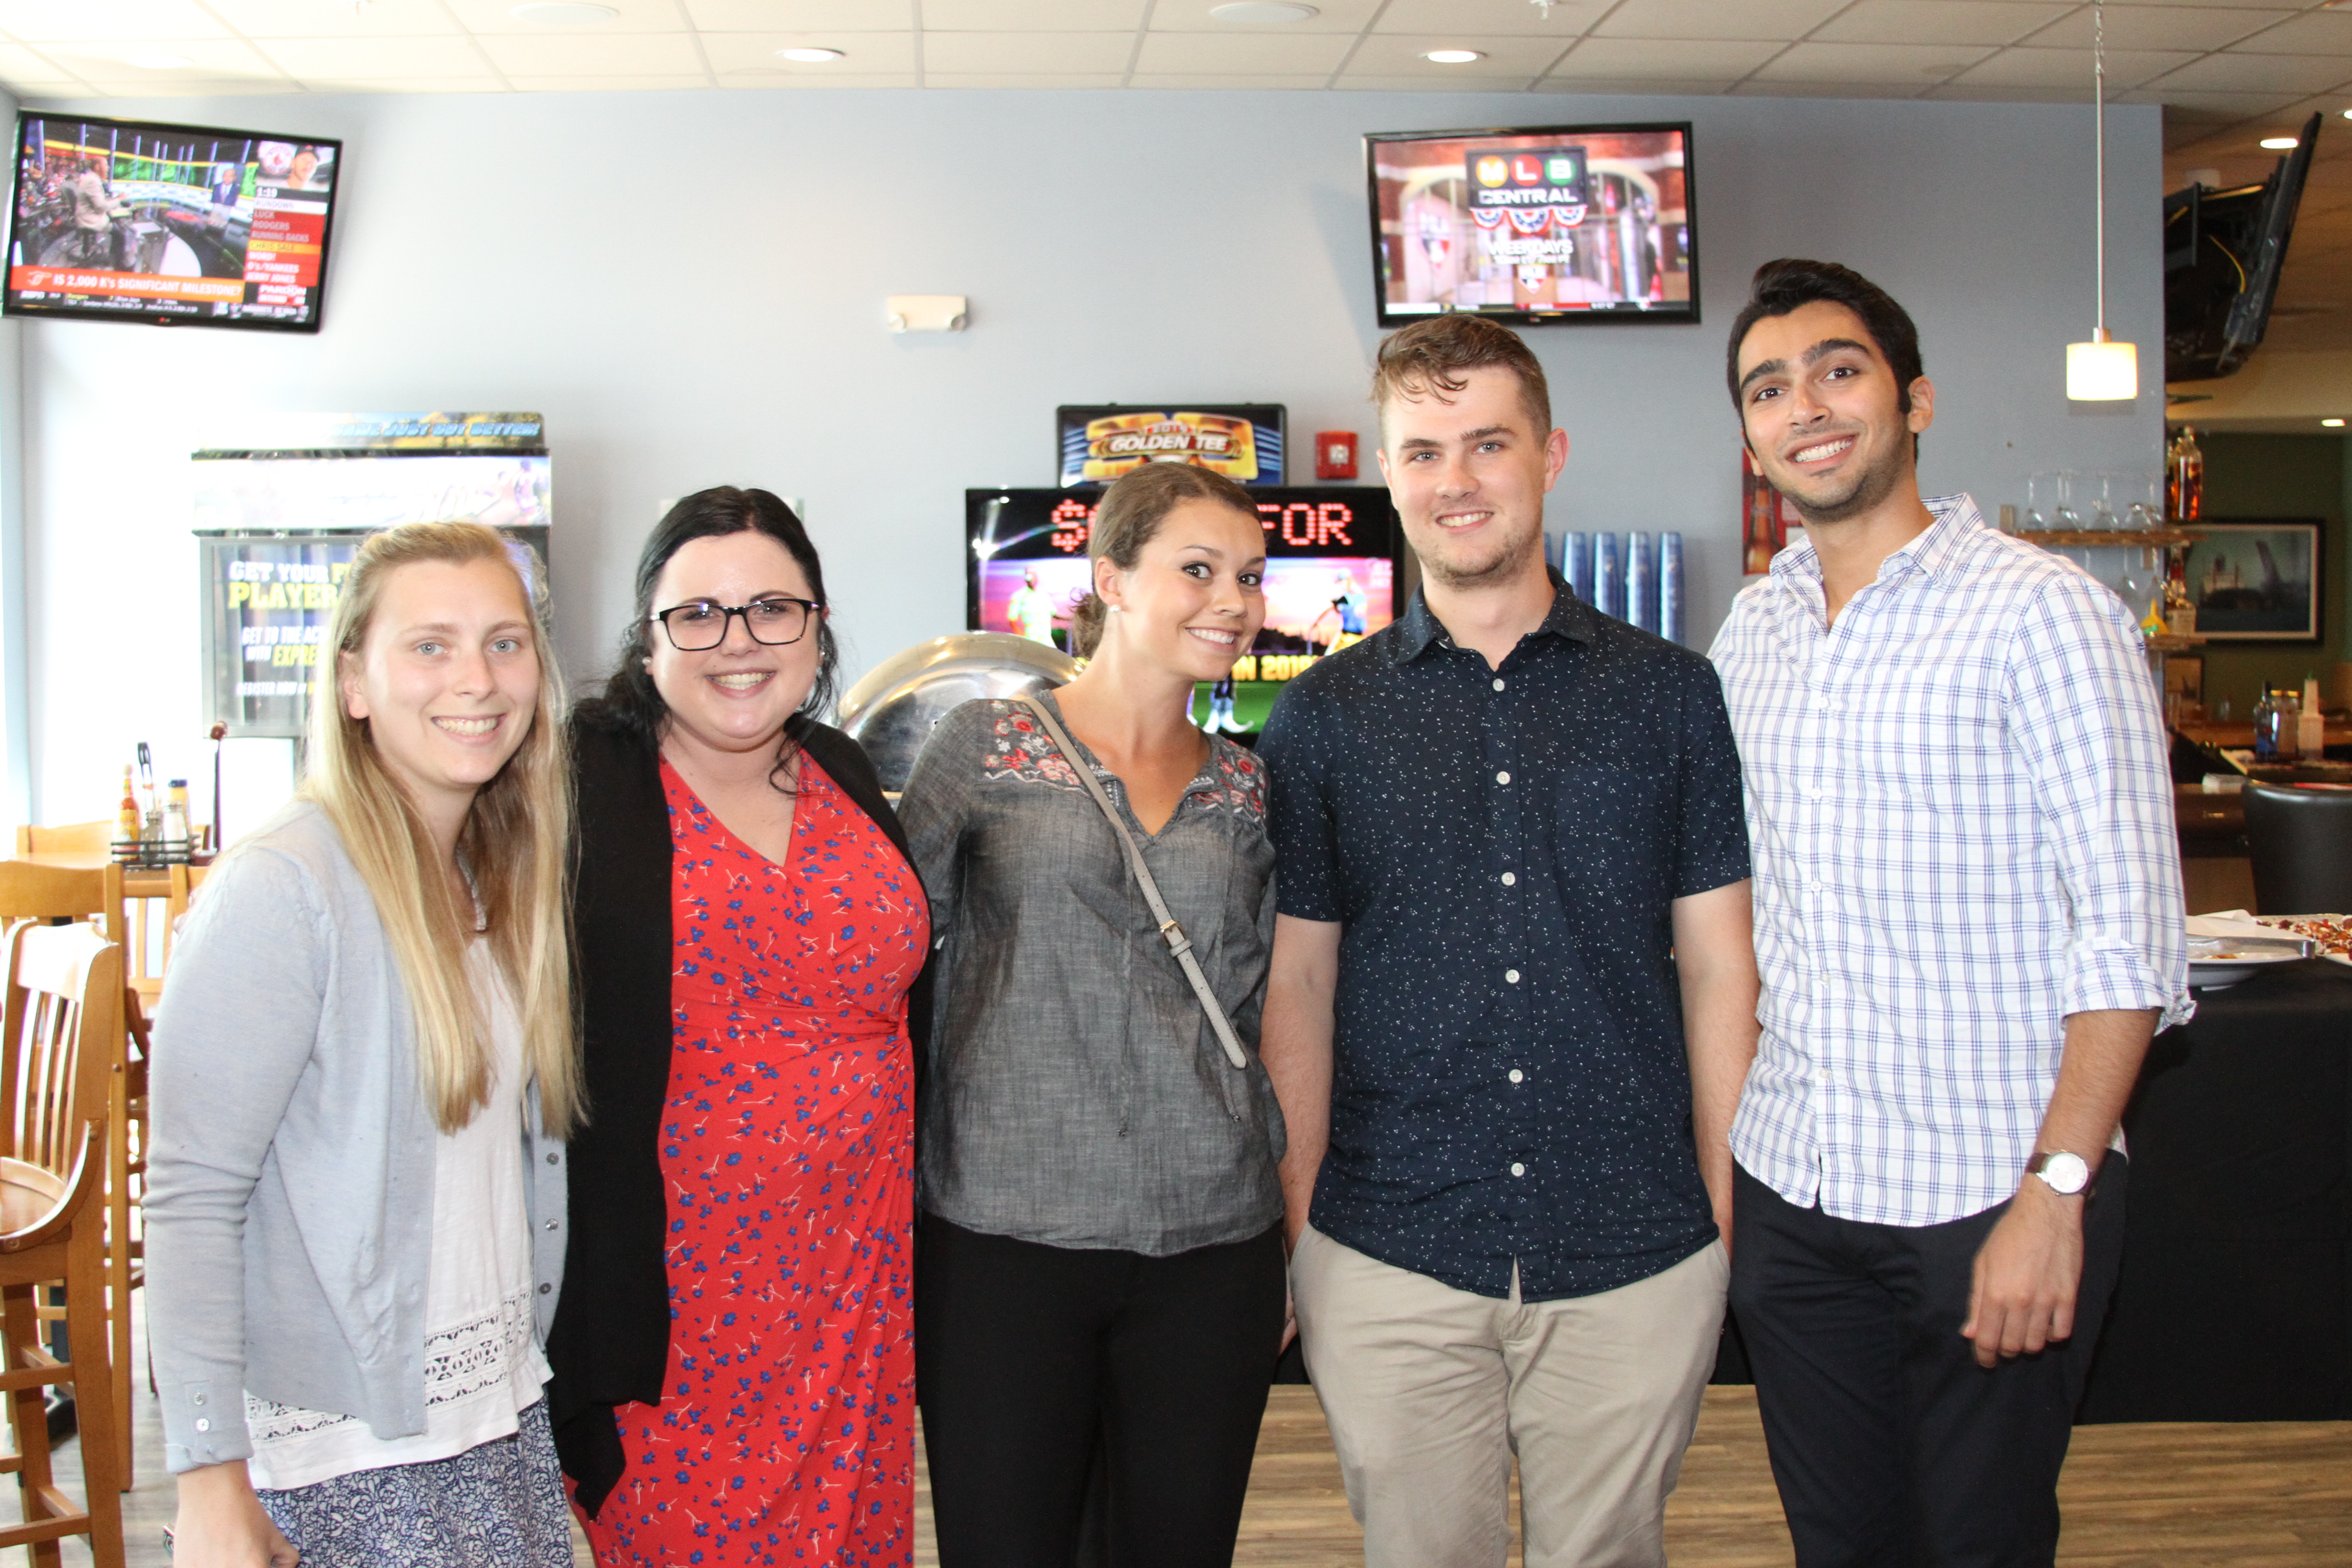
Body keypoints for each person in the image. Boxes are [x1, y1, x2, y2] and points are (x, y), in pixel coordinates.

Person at [1708, 258, 2192, 1566]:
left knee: (1979, 1544)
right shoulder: (1750, 635)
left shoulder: (2048, 616)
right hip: (1799, 1195)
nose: (1805, 403)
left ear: (1913, 400)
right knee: (1840, 1545)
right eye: (1769, 387)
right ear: (1752, 438)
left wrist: (2057, 1196)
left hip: (1990, 1194)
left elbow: (2131, 939)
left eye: (1839, 369)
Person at [1258, 313, 1759, 1568]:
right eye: (1424, 450)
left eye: (1488, 443)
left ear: (1551, 454)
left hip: (1639, 1242)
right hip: (1389, 1246)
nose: (1456, 480)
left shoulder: (1671, 695)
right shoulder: (1320, 719)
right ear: (1389, 471)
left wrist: (1724, 1210)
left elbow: (1717, 966)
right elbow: (1300, 984)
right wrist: (1300, 1224)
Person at [148, 521, 580, 1568]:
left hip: (495, 1419)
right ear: (352, 681)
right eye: (428, 644)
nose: (475, 678)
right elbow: (191, 1197)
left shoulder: (496, 880)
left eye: (504, 641)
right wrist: (209, 1484)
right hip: (348, 1452)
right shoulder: (284, 887)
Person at [901, 461, 1289, 1568]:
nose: (1232, 600)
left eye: (1249, 576)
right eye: (1198, 569)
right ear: (1111, 579)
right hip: (1003, 1240)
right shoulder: (981, 749)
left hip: (1210, 1244)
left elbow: (1274, 1009)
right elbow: (879, 957)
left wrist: (1292, 1233)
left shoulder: (1251, 789)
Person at [547, 486, 931, 1566]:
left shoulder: (844, 773)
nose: (738, 641)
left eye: (773, 607)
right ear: (647, 636)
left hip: (855, 1281)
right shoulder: (581, 783)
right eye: (697, 613)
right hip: (676, 1302)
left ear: (816, 626)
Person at [1007, 564, 1059, 646]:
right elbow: (1012, 619)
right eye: (1029, 576)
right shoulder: (1019, 596)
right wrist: (1021, 635)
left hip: (1046, 640)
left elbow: (1053, 613)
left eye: (1034, 575)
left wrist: (1070, 618)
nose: (1031, 578)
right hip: (1031, 639)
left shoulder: (1044, 596)